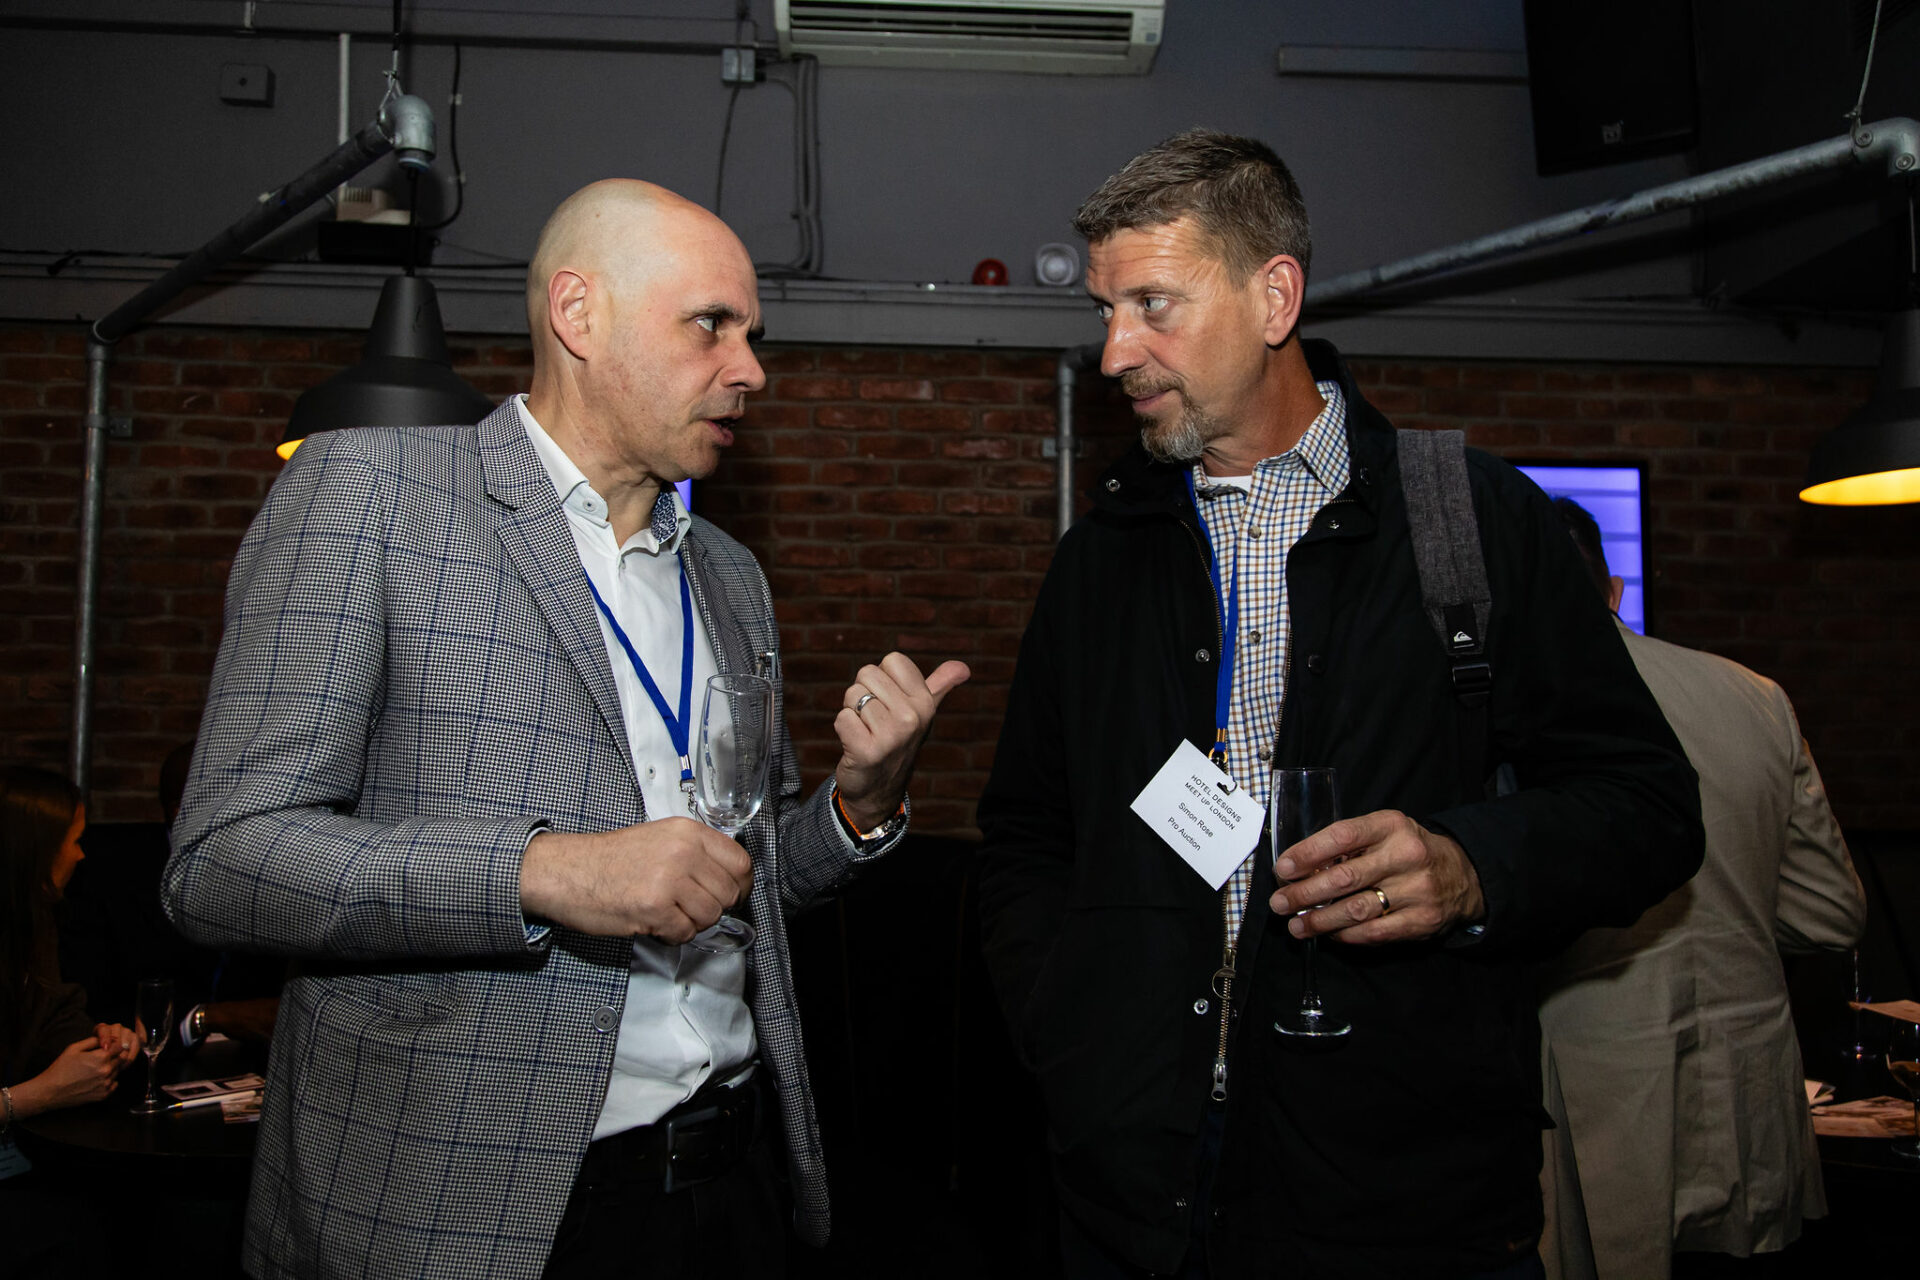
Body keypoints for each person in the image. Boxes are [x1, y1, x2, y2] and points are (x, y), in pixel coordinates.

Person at [163, 179, 968, 1280]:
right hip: (466, 1207)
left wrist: (859, 806)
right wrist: (542, 873)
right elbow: (221, 861)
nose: (750, 369)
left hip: (729, 1185)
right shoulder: (375, 493)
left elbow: (744, 879)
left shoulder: (729, 574)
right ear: (578, 314)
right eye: (711, 325)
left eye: (754, 335)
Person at [975, 130, 1704, 1280]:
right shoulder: (1102, 556)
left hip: (1399, 1199)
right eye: (1107, 312)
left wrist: (1470, 866)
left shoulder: (1468, 519)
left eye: (1152, 304)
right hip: (1135, 1187)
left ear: (1275, 297)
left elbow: (1649, 805)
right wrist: (1067, 1030)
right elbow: (1027, 832)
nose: (1114, 352)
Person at [1536, 498, 1866, 1280]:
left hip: (1597, 1097)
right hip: (1751, 1083)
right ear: (1614, 589)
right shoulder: (1756, 695)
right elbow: (1831, 914)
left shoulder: (1523, 708)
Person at [2, 766, 142, 1191]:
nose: (81, 856)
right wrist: (42, 1093)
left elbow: (51, 1016)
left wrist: (100, 1042)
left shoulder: (32, 923)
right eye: (74, 841)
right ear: (35, 849)